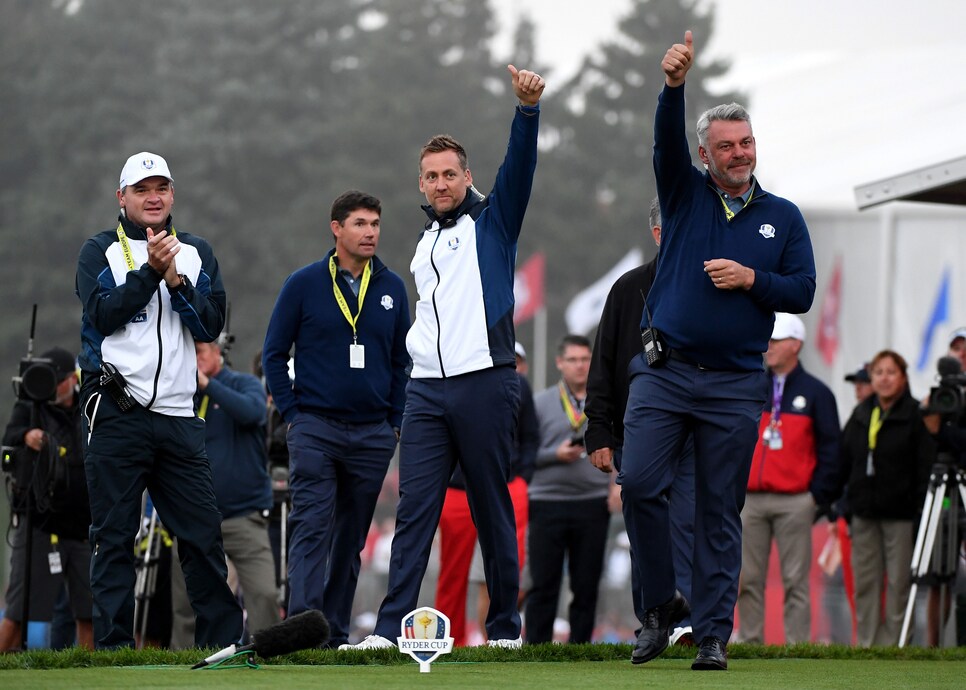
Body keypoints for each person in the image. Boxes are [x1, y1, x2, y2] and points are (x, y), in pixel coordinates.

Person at [606, 31, 816, 670]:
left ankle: (713, 634)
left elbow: (803, 291)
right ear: (704, 153)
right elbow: (662, 143)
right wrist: (674, 87)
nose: (738, 154)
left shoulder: (782, 215)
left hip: (733, 383)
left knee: (721, 511)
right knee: (639, 484)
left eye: (746, 142)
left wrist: (754, 280)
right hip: (665, 375)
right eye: (725, 146)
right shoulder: (683, 191)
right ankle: (657, 607)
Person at [342, 64, 545, 651]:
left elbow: (521, 172)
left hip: (485, 382)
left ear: (467, 177)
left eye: (449, 174)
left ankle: (505, 629)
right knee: (414, 514)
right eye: (430, 176)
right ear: (421, 184)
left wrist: (527, 112)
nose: (440, 184)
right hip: (427, 389)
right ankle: (387, 630)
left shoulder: (493, 221)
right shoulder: (424, 239)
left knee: (493, 511)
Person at [75, 151, 242, 649]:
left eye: (162, 188)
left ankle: (222, 649)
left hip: (177, 416)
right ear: (121, 198)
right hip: (115, 414)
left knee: (202, 538)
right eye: (142, 189)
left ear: (172, 195)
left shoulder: (194, 252)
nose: (154, 197)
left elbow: (211, 325)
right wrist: (149, 273)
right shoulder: (98, 250)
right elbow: (103, 315)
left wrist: (174, 279)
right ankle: (112, 654)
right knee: (114, 538)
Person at [262, 190, 410, 649]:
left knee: (350, 543)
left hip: (372, 435)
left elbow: (404, 361)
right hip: (316, 429)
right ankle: (301, 633)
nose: (370, 233)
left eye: (375, 224)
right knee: (310, 531)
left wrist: (394, 421)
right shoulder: (303, 283)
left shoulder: (392, 287)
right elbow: (273, 354)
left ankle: (334, 635)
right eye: (360, 223)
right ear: (336, 228)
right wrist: (294, 415)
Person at [585, 197, 695, 647]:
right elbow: (603, 363)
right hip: (639, 430)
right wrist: (599, 431)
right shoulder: (628, 289)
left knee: (690, 525)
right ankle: (653, 620)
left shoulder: (713, 282)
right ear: (657, 233)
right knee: (643, 527)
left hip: (695, 431)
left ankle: (692, 622)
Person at [169, 338, 280, 648]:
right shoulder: (180, 393)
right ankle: (184, 662)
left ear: (217, 353)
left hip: (244, 515)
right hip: (195, 517)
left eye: (200, 352)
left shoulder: (242, 383)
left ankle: (267, 655)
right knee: (185, 602)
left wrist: (208, 385)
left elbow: (254, 413)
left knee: (264, 594)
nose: (195, 360)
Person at [737, 313, 841, 644]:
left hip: (796, 500)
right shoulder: (751, 384)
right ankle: (751, 642)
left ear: (796, 345)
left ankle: (797, 646)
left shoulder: (817, 393)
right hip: (750, 498)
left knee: (796, 579)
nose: (768, 347)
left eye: (776, 341)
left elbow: (830, 451)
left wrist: (815, 498)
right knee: (748, 578)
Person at [837, 349, 935, 646]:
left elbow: (924, 467)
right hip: (864, 512)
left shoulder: (915, 414)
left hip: (901, 515)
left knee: (897, 584)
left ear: (903, 378)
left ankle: (895, 645)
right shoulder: (862, 413)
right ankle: (867, 643)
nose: (884, 378)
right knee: (866, 583)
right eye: (878, 372)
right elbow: (845, 461)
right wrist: (842, 504)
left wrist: (920, 511)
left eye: (891, 372)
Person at [0, 348, 93, 651]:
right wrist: (27, 435)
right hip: (40, 523)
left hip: (81, 525)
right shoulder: (30, 405)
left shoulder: (88, 407)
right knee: (18, 609)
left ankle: (89, 669)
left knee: (88, 610)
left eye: (59, 380)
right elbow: (9, 439)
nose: (53, 387)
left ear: (71, 380)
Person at [526, 335, 610, 644]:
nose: (579, 366)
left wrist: (615, 486)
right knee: (543, 584)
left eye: (585, 359)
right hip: (546, 502)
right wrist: (554, 455)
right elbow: (522, 454)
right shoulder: (540, 403)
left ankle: (580, 650)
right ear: (559, 363)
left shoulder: (604, 403)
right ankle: (536, 649)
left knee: (586, 585)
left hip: (592, 503)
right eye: (573, 359)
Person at [922, 327, 966, 646]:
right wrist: (929, 423)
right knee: (938, 572)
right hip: (944, 489)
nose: (961, 355)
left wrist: (942, 431)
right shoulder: (940, 395)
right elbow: (924, 446)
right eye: (956, 348)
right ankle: (934, 646)